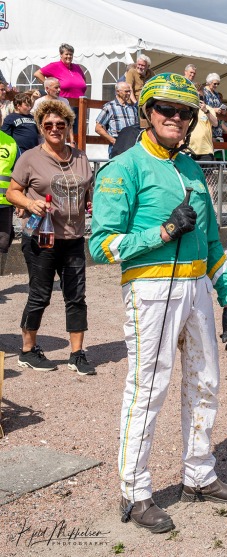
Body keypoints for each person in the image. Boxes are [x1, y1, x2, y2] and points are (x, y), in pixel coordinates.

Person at [89, 73, 227, 534]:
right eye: (167, 109)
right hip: (151, 290)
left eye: (186, 112)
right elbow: (101, 245)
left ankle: (198, 475)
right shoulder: (122, 168)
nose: (177, 118)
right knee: (149, 388)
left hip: (197, 288)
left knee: (205, 381)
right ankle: (135, 491)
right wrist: (160, 234)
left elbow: (209, 242)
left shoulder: (193, 168)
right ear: (147, 112)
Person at [5, 100, 94, 375]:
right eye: (48, 125)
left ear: (68, 127)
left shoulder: (80, 156)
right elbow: (12, 191)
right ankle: (28, 351)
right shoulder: (30, 157)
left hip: (74, 236)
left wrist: (89, 202)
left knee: (76, 296)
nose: (55, 128)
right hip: (41, 238)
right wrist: (29, 204)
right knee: (40, 295)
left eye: (60, 124)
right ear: (42, 128)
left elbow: (86, 189)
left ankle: (77, 354)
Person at [33, 43, 86, 135]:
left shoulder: (77, 67)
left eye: (71, 54)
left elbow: (83, 81)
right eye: (66, 54)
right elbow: (37, 73)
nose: (69, 56)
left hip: (81, 105)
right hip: (64, 104)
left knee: (79, 134)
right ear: (61, 55)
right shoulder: (55, 66)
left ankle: (75, 149)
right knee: (64, 131)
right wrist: (48, 87)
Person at [95, 82, 138, 157]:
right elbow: (98, 128)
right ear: (118, 92)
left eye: (129, 91)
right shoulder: (109, 107)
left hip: (132, 146)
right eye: (126, 91)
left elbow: (136, 128)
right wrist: (113, 140)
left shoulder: (133, 109)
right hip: (117, 146)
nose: (128, 94)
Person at [0, 128, 19, 260]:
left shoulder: (11, 143)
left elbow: (20, 175)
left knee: (2, 243)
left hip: (4, 204)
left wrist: (20, 201)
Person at [187, 91, 218, 162]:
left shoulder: (209, 109)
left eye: (200, 96)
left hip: (205, 150)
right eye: (196, 95)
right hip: (189, 150)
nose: (198, 98)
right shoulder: (187, 108)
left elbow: (215, 124)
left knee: (207, 173)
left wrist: (206, 111)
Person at [202, 73, 224, 141]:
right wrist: (214, 109)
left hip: (217, 124)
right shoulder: (203, 92)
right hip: (207, 122)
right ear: (209, 82)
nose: (216, 85)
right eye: (215, 83)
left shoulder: (216, 94)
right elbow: (202, 106)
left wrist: (222, 109)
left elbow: (219, 105)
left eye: (218, 84)